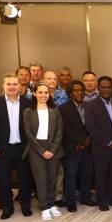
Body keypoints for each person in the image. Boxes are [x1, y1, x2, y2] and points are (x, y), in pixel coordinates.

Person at [0, 73, 32, 219]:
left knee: (25, 180)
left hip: (23, 149)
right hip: (2, 150)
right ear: (3, 86)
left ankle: (25, 206)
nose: (12, 87)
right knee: (3, 181)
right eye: (9, 84)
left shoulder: (28, 103)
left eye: (15, 84)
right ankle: (7, 207)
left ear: (20, 86)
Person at [85, 76, 112, 211]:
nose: (106, 89)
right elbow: (92, 128)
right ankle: (102, 200)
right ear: (98, 88)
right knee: (101, 175)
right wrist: (109, 142)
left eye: (109, 87)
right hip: (101, 147)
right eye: (103, 87)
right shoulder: (91, 106)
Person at [23, 83, 64, 221]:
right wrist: (42, 151)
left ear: (49, 94)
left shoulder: (55, 109)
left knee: (52, 178)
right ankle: (44, 207)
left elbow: (59, 131)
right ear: (34, 94)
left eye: (46, 92)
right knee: (41, 179)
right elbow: (28, 134)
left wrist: (52, 149)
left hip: (53, 147)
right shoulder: (28, 111)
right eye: (40, 92)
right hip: (36, 148)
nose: (43, 95)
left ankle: (52, 204)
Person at [58, 80, 96, 212]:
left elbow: (93, 125)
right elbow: (65, 128)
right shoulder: (63, 108)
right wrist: (80, 142)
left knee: (88, 173)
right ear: (70, 93)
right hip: (72, 148)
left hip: (88, 146)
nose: (80, 92)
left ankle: (85, 197)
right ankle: (70, 201)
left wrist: (88, 140)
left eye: (81, 90)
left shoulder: (89, 106)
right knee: (71, 176)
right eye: (76, 90)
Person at [43, 69, 69, 206]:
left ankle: (58, 196)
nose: (52, 81)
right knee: (44, 169)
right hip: (42, 138)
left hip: (60, 135)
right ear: (43, 80)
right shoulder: (37, 94)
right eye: (49, 78)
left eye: (54, 79)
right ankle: (45, 196)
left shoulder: (62, 94)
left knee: (59, 169)